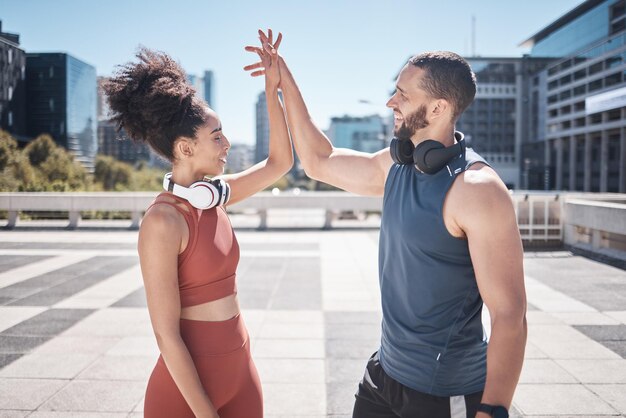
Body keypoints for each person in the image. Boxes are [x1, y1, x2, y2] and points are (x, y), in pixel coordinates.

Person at [245, 31, 526, 418]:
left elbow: (510, 314)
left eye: (403, 95)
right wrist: (283, 81)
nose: (390, 101)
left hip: (441, 394)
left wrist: (492, 411)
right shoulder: (398, 165)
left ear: (439, 108)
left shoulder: (476, 189)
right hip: (384, 375)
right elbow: (318, 160)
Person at [104, 41, 291, 418]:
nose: (227, 143)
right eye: (216, 135)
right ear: (186, 148)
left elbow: (280, 162)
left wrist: (272, 89)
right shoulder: (162, 221)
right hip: (184, 395)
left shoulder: (215, 197)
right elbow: (166, 335)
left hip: (240, 374)